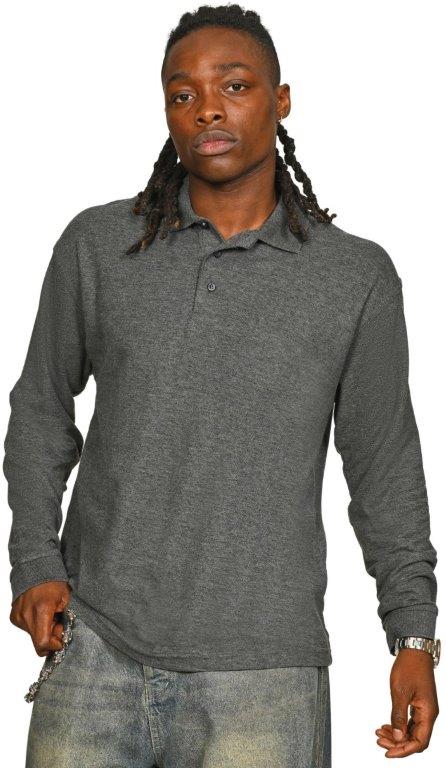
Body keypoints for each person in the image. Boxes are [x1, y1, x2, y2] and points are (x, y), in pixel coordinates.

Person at [3, 4, 440, 766]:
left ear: (282, 99)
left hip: (264, 680)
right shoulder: (98, 247)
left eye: (234, 85)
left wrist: (413, 636)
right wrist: (35, 563)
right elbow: (41, 408)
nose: (207, 107)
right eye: (183, 93)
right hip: (94, 652)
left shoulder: (354, 277)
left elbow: (384, 468)